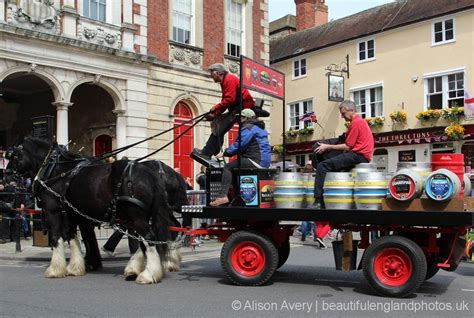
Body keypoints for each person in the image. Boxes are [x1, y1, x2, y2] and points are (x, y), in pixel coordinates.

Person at [309, 100, 374, 209]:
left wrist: (327, 147)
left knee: (322, 166)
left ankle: (319, 201)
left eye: (343, 113)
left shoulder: (356, 123)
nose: (342, 116)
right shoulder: (360, 122)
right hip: (360, 155)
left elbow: (348, 146)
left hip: (358, 156)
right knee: (331, 164)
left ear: (352, 110)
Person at [192, 63, 255, 160]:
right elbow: (226, 101)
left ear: (218, 73)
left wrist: (215, 108)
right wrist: (216, 114)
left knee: (219, 125)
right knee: (218, 124)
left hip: (241, 107)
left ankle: (207, 152)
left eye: (211, 73)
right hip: (237, 107)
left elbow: (229, 99)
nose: (211, 76)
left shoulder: (228, 79)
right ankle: (213, 150)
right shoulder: (225, 80)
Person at [210, 108, 271, 206]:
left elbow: (240, 145)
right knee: (235, 170)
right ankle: (238, 197)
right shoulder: (259, 128)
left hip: (255, 160)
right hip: (263, 161)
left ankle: (222, 196)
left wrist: (225, 152)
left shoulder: (248, 127)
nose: (238, 120)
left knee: (227, 167)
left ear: (246, 118)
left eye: (240, 117)